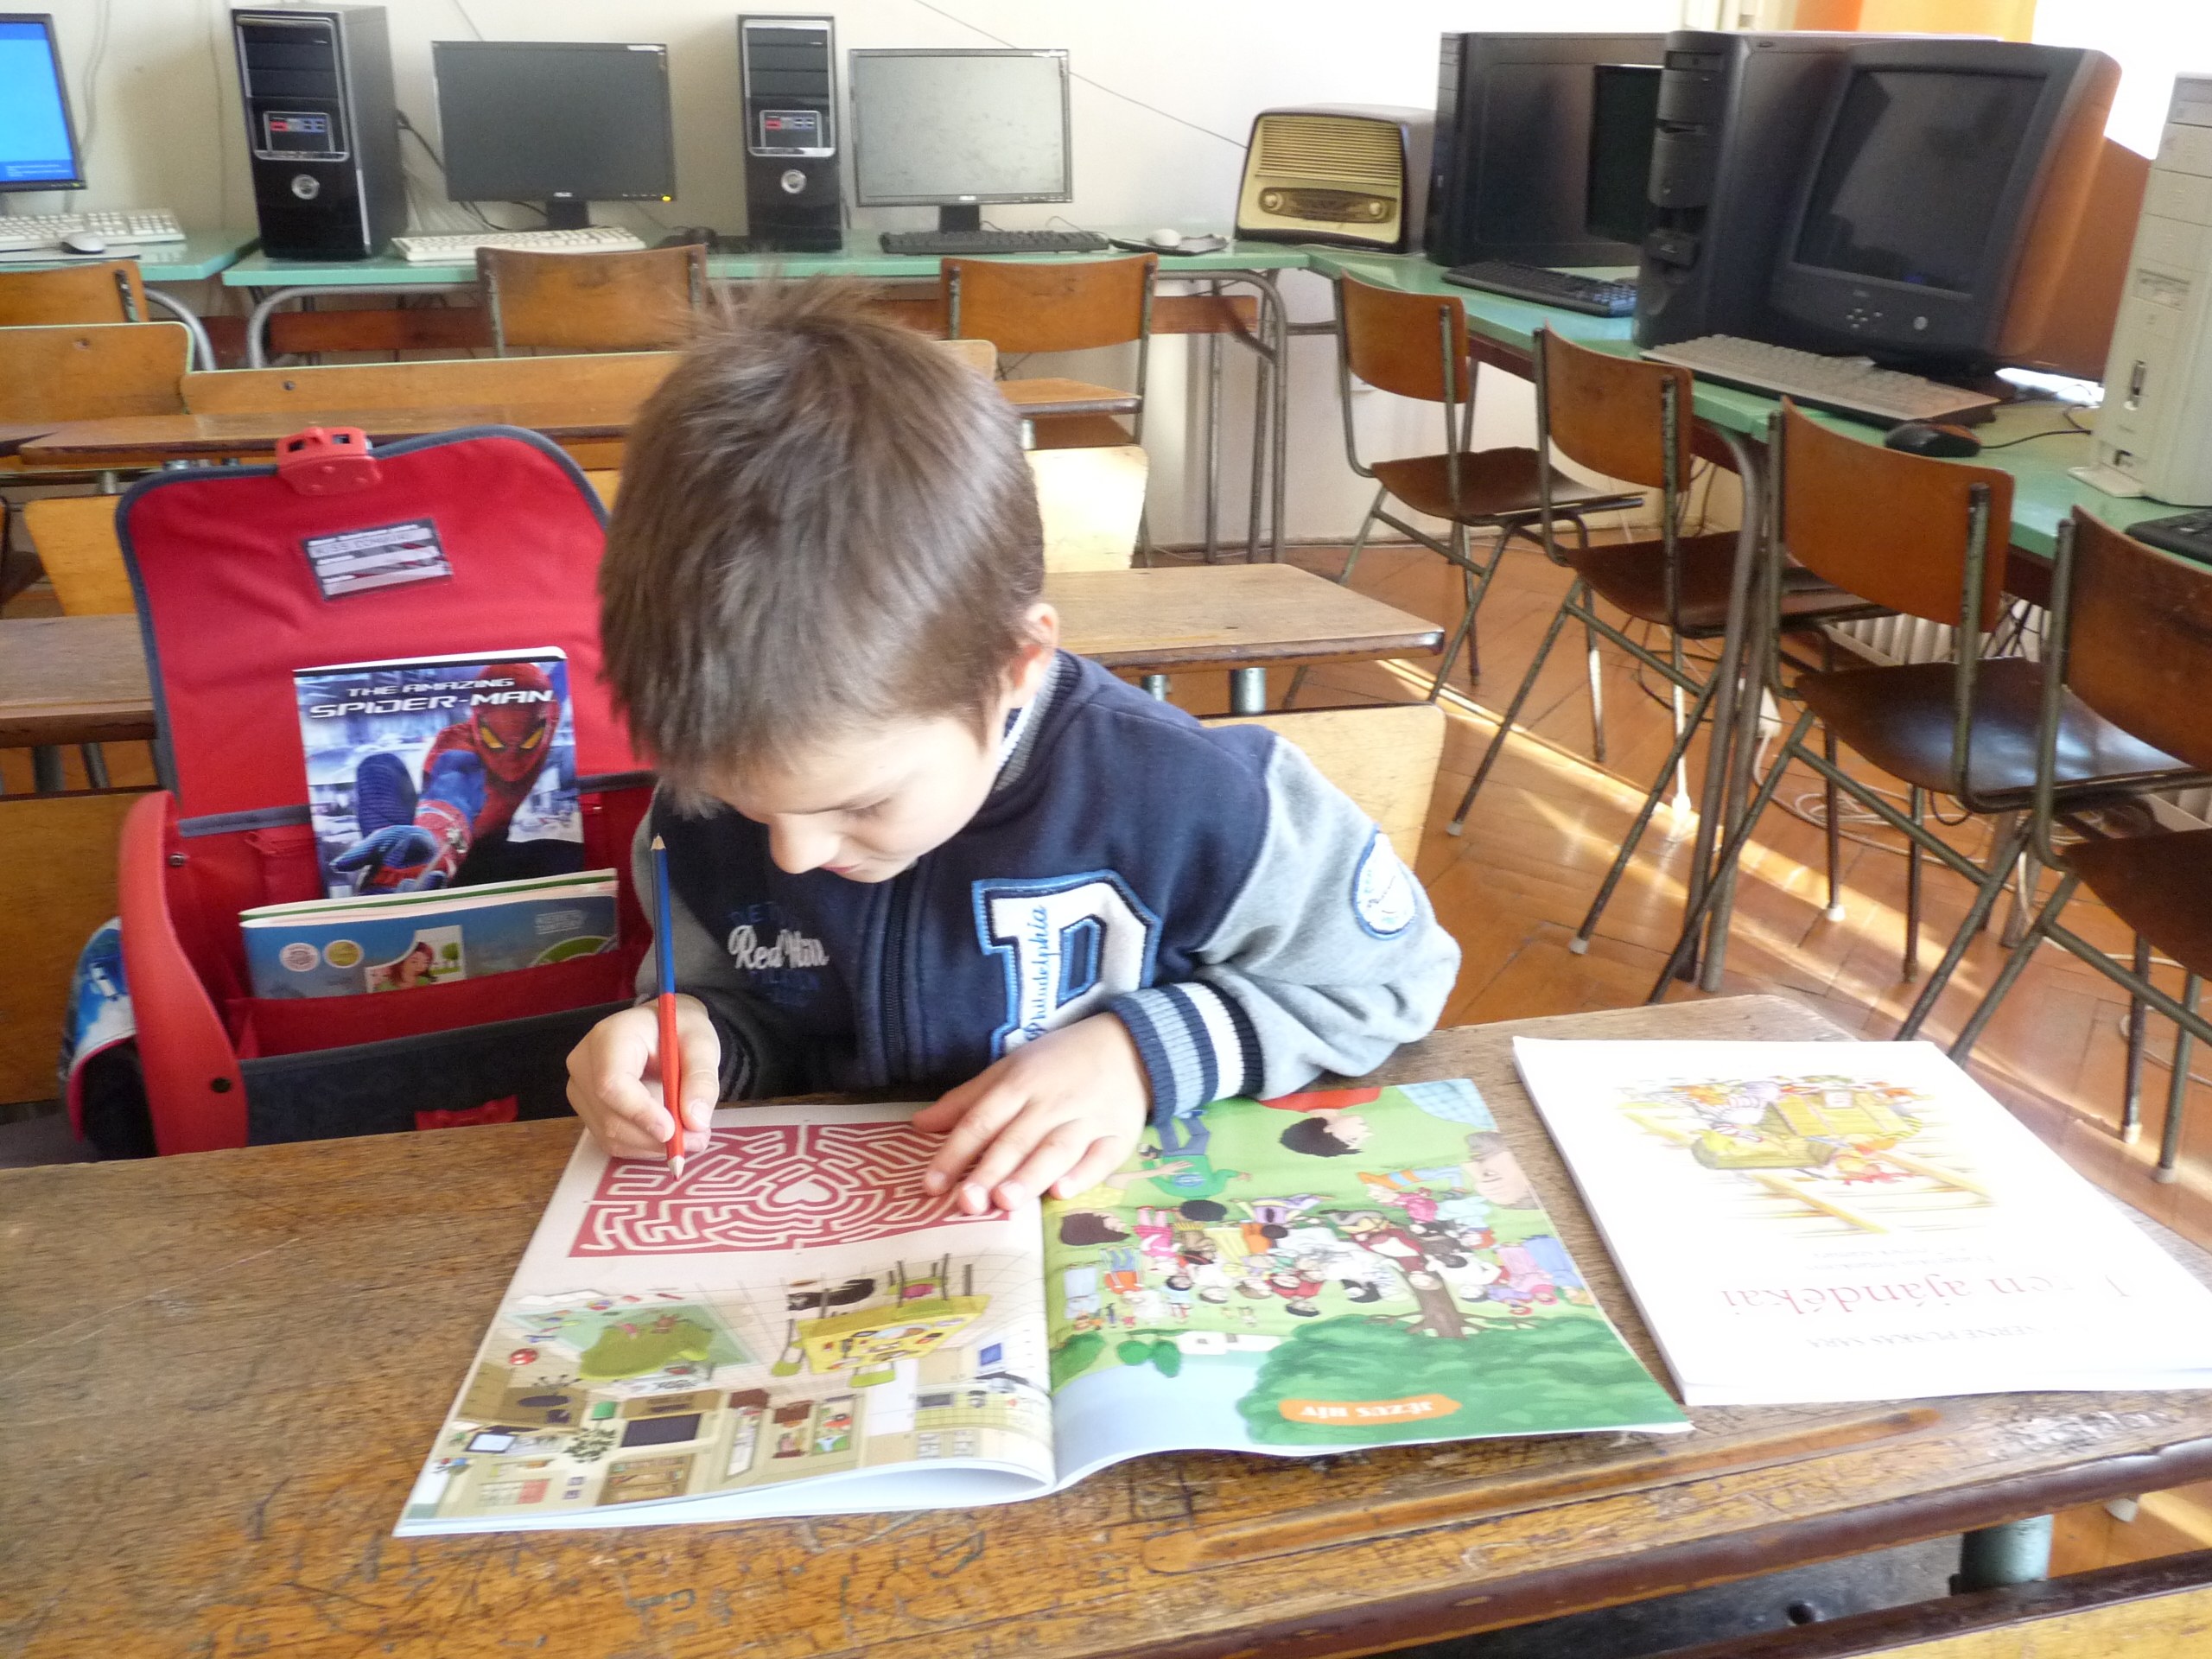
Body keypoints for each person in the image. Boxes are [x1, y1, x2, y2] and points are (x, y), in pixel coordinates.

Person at [564, 281, 1459, 1211]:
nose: (791, 854)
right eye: (743, 804)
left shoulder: (1191, 799)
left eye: (862, 804)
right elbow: (755, 1010)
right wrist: (696, 1040)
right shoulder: (693, 815)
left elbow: (1392, 983)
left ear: (1015, 665)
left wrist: (1140, 1055)